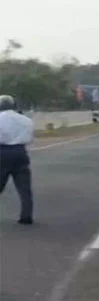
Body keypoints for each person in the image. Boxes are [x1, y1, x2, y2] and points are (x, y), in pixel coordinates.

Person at [0, 95, 34, 225]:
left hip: (2, 151)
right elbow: (30, 138)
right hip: (20, 152)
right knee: (24, 187)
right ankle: (26, 216)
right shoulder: (26, 120)